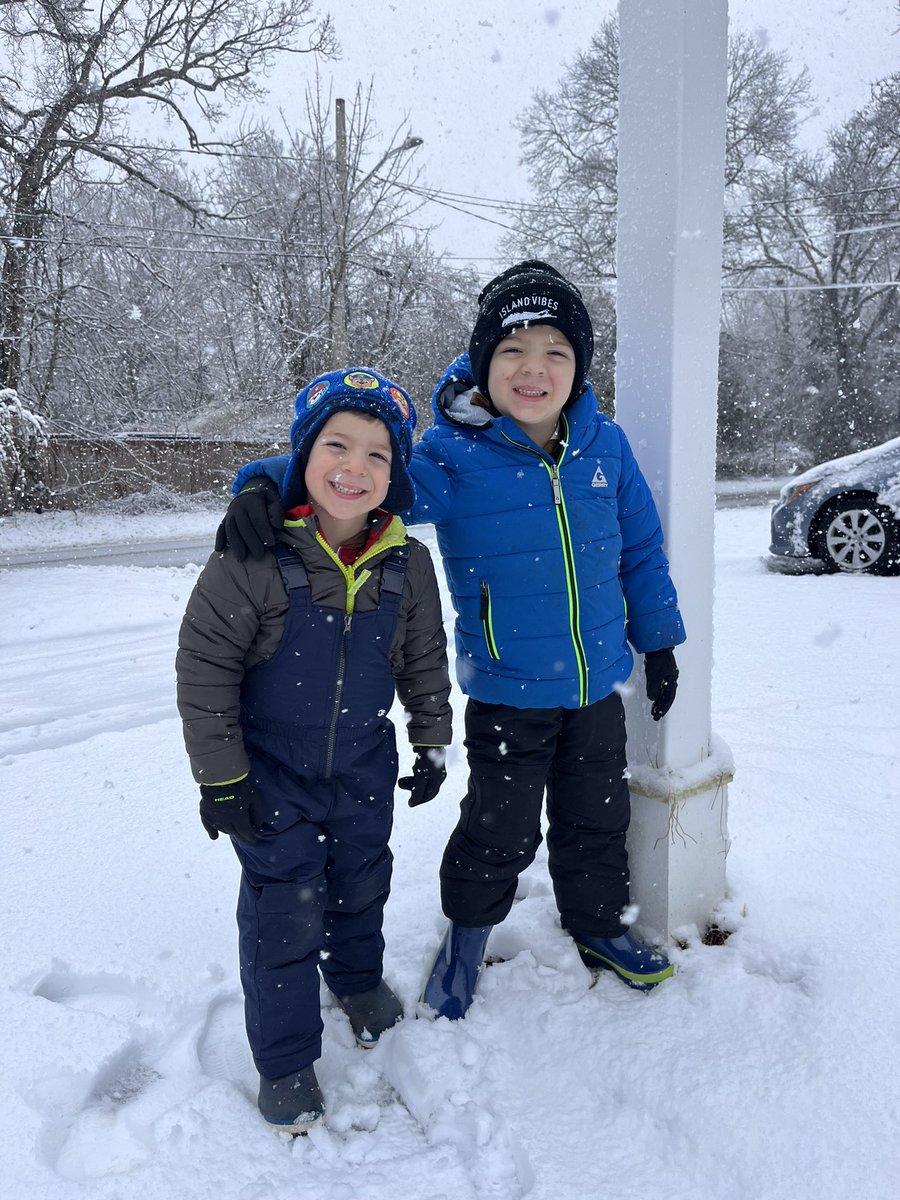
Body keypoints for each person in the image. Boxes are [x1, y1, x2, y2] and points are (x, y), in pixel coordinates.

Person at [218, 261, 686, 1021]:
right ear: (481, 363)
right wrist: (268, 482)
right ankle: (467, 936)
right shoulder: (451, 455)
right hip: (507, 688)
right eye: (512, 351)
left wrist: (658, 639)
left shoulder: (606, 446)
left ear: (579, 366)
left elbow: (639, 547)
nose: (534, 369)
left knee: (597, 819)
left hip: (597, 683)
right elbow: (357, 474)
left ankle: (599, 925)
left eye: (556, 352)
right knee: (499, 829)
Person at [176, 368, 452, 1133]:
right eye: (337, 445)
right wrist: (221, 778)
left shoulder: (407, 562)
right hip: (270, 773)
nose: (354, 467)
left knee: (362, 882)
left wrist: (431, 738)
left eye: (377, 454)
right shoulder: (256, 554)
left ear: (395, 475)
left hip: (363, 763)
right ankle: (286, 1060)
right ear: (301, 456)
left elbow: (423, 657)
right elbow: (205, 666)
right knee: (284, 912)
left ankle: (357, 981)